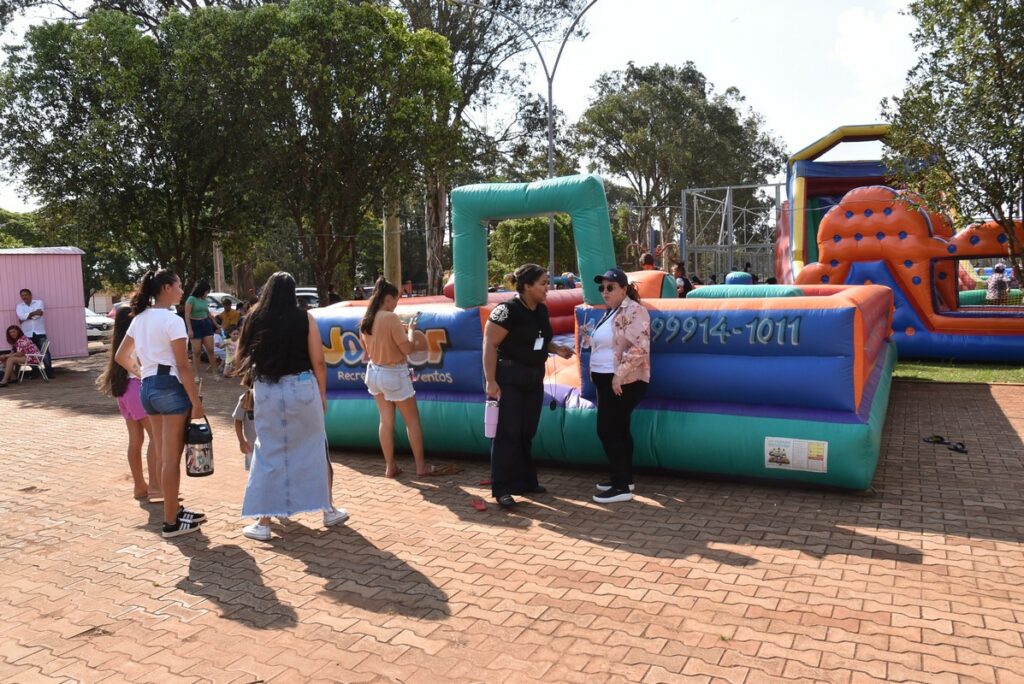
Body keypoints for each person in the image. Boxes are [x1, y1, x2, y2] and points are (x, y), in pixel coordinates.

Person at [236, 271, 348, 541]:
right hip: (302, 387)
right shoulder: (304, 317)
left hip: (266, 389)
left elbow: (244, 351)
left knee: (268, 452)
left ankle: (263, 522)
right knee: (314, 448)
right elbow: (318, 361)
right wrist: (322, 394)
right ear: (293, 292)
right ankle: (328, 509)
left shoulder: (254, 316)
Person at [115, 269, 206, 538]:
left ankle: (174, 513)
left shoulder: (140, 318)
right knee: (170, 458)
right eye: (178, 286)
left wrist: (142, 372)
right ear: (166, 287)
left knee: (162, 453)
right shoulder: (171, 319)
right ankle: (171, 521)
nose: (181, 291)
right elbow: (183, 365)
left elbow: (121, 356)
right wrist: (195, 402)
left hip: (148, 388)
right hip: (169, 387)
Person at [483, 264, 574, 508]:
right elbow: (490, 344)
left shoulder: (540, 310)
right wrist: (491, 381)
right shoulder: (506, 310)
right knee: (507, 433)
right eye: (543, 283)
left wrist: (556, 349)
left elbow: (540, 340)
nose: (548, 288)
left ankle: (525, 481)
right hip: (509, 378)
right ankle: (502, 488)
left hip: (533, 378)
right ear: (526, 286)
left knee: (526, 431)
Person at [588, 268, 651, 504]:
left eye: (610, 287)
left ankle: (621, 486)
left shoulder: (635, 310)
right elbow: (608, 345)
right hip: (605, 379)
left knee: (607, 430)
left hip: (624, 381)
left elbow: (639, 348)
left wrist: (618, 376)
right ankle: (623, 477)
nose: (605, 292)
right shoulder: (610, 312)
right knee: (620, 429)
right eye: (602, 288)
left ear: (624, 289)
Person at [97, 307, 162, 502]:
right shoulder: (135, 339)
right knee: (156, 438)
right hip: (136, 387)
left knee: (136, 440)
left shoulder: (119, 341)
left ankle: (140, 485)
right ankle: (156, 486)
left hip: (123, 390)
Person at [184, 281, 219, 380]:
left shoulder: (205, 300)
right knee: (197, 351)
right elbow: (187, 314)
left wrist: (216, 324)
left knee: (211, 350)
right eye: (207, 291)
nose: (207, 293)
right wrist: (190, 329)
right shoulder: (191, 299)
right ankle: (197, 375)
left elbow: (208, 313)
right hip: (195, 325)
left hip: (206, 324)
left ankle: (215, 373)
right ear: (202, 290)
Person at [15, 288, 53, 377]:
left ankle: (49, 372)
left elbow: (39, 314)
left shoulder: (39, 302)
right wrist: (32, 314)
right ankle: (35, 372)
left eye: (26, 295)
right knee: (29, 353)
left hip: (39, 332)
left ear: (30, 295)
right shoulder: (19, 306)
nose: (24, 297)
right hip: (27, 333)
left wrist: (25, 317)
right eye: (22, 295)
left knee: (45, 353)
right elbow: (20, 316)